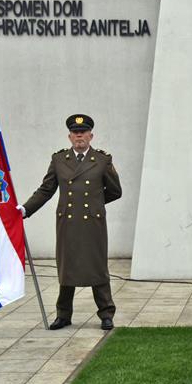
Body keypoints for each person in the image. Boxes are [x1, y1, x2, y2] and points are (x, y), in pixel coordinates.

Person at [19, 114, 122, 330]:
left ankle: (106, 314)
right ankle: (63, 315)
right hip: (68, 222)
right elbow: (46, 189)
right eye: (75, 133)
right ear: (69, 137)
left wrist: (94, 203)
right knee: (67, 268)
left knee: (97, 267)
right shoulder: (59, 160)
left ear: (90, 135)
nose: (79, 136)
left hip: (92, 223)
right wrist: (26, 209)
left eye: (83, 132)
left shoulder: (103, 160)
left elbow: (115, 191)